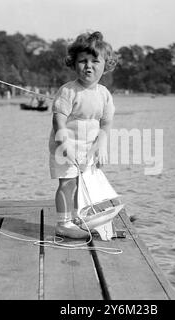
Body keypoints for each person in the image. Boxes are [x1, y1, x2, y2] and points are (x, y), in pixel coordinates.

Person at [48, 31, 118, 238]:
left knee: (84, 182)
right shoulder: (68, 91)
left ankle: (78, 218)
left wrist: (101, 145)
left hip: (88, 149)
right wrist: (63, 141)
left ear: (106, 65)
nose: (88, 66)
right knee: (67, 183)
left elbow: (106, 124)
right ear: (73, 63)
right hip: (66, 146)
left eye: (95, 61)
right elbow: (58, 119)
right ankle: (63, 223)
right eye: (82, 61)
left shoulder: (104, 94)